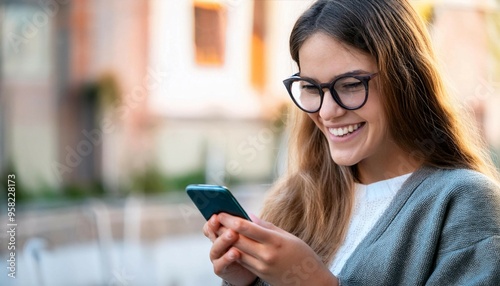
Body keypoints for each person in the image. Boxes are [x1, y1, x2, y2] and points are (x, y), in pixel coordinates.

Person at [203, 0, 500, 285]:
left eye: (350, 85)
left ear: (405, 79)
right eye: (311, 87)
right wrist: (246, 281)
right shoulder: (294, 200)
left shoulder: (463, 201)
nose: (327, 111)